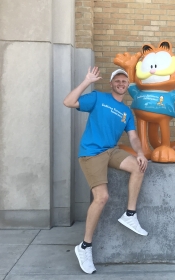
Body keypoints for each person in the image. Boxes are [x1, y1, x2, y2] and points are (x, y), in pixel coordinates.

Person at [63, 66, 149, 274]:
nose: (121, 84)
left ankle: (130, 214)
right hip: (91, 153)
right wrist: (86, 81)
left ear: (128, 86)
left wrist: (140, 152)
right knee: (101, 197)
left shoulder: (127, 111)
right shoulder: (97, 98)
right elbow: (69, 102)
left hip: (111, 151)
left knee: (139, 166)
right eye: (117, 81)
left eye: (124, 82)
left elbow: (134, 137)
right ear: (111, 84)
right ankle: (84, 246)